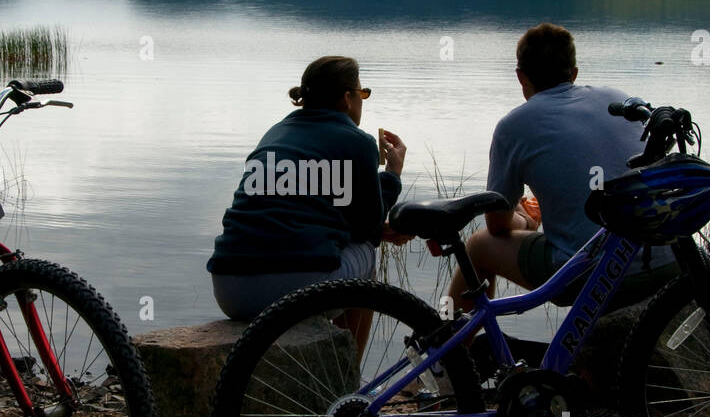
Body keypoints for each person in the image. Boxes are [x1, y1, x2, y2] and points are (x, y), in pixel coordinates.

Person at [444, 22, 676, 313]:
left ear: (520, 77)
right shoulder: (618, 98)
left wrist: (526, 221)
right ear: (574, 73)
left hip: (594, 277)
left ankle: (449, 354)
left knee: (478, 246)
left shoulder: (513, 126)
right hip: (669, 264)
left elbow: (497, 225)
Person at [207, 55, 405, 326]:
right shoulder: (357, 141)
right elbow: (367, 231)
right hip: (297, 293)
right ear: (348, 98)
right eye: (363, 93)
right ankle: (346, 369)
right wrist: (392, 175)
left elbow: (301, 204)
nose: (362, 101)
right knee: (364, 253)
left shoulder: (274, 133)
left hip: (229, 289)